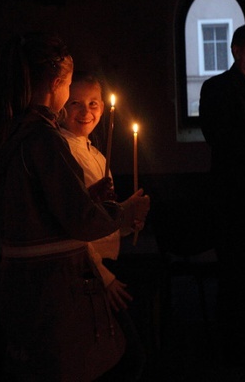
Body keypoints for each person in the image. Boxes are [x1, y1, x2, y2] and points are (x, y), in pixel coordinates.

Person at [0, 32, 149, 382]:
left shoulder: (13, 131)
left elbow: (42, 211)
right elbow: (80, 222)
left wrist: (91, 201)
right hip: (55, 287)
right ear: (58, 84)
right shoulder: (44, 139)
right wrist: (123, 213)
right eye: (70, 90)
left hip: (24, 282)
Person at [60, 71, 150, 381]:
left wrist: (128, 219)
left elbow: (103, 219)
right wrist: (104, 278)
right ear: (60, 104)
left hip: (106, 265)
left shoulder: (97, 154)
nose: (86, 112)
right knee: (120, 358)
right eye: (76, 103)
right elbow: (73, 225)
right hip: (89, 273)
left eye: (94, 103)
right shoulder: (63, 153)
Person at [199, 24, 245, 367]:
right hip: (235, 200)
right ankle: (234, 353)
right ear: (236, 50)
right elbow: (220, 138)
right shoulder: (217, 88)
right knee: (235, 277)